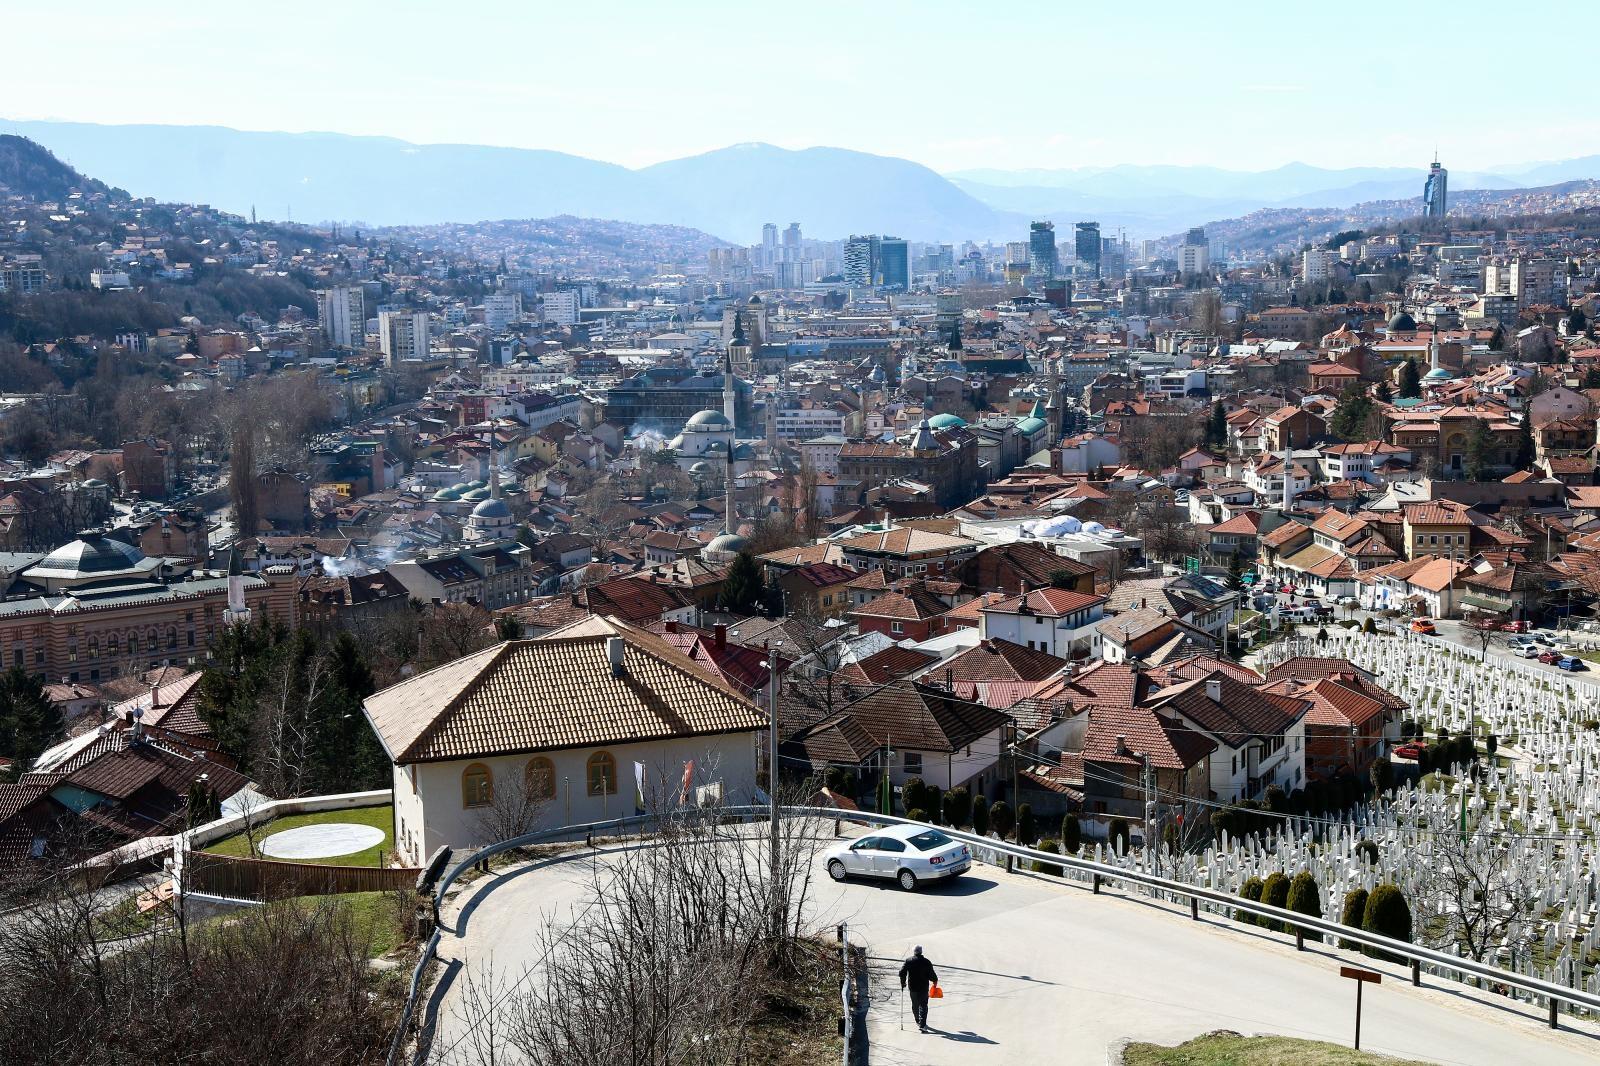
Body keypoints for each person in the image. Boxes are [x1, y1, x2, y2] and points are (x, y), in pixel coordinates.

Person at [899, 945, 938, 1032]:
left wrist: (903, 982)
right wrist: (935, 981)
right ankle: (922, 1025)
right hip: (923, 987)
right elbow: (931, 974)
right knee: (923, 1005)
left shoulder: (908, 961)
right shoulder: (926, 962)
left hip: (912, 987)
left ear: (914, 952)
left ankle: (917, 1020)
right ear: (921, 952)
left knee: (915, 1004)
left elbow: (902, 972)